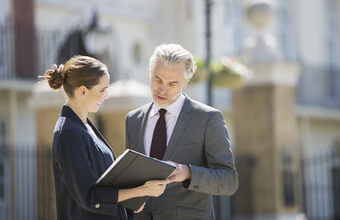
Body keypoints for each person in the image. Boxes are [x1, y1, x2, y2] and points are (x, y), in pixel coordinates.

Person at [40, 55, 168, 220]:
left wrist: (132, 200)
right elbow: (90, 197)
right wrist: (142, 191)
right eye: (102, 90)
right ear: (83, 91)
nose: (106, 96)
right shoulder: (68, 132)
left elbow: (105, 186)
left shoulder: (84, 126)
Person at [125, 44, 239, 219]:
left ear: (185, 83)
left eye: (172, 83)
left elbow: (229, 181)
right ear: (150, 73)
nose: (162, 90)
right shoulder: (133, 119)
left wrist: (188, 172)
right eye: (157, 79)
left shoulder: (208, 118)